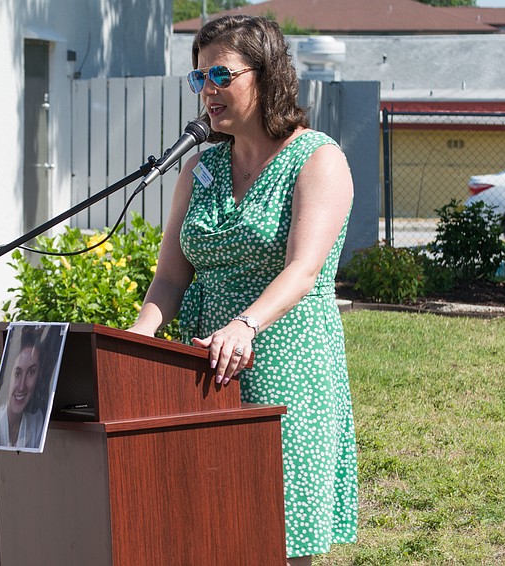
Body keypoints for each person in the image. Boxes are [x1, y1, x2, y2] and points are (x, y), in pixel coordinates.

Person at [128, 15, 357, 565]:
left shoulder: (317, 159)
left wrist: (245, 324)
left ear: (268, 75)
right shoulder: (201, 168)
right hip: (203, 368)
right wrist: (138, 339)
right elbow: (169, 277)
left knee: (278, 533)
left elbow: (304, 269)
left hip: (285, 360)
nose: (207, 90)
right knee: (208, 523)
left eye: (221, 75)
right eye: (198, 78)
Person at [0, 329, 47, 449]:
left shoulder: (36, 421)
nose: (22, 386)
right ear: (8, 375)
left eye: (31, 372)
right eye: (17, 373)